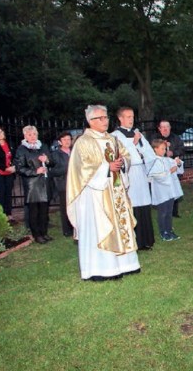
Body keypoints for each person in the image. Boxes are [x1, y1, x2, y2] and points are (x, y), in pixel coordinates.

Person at [67, 104, 140, 281]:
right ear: (90, 121)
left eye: (106, 117)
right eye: (100, 118)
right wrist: (107, 167)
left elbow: (126, 155)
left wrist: (122, 163)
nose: (104, 121)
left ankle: (125, 264)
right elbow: (81, 169)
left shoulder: (112, 139)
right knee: (101, 228)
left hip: (115, 190)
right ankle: (101, 269)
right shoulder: (83, 142)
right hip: (95, 195)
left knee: (120, 225)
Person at [112, 107, 156, 251]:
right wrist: (134, 144)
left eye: (132, 116)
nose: (131, 119)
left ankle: (146, 240)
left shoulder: (137, 134)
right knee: (132, 206)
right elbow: (122, 155)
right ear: (120, 118)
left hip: (141, 174)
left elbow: (150, 153)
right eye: (128, 116)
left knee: (143, 206)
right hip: (129, 174)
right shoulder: (115, 136)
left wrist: (142, 152)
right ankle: (133, 241)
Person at [14, 125, 53, 244]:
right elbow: (19, 168)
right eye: (30, 135)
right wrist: (35, 171)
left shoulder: (43, 146)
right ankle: (37, 235)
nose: (32, 137)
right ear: (25, 136)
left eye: (34, 134)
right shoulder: (21, 149)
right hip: (32, 184)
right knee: (34, 210)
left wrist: (47, 160)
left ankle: (44, 232)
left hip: (45, 182)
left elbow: (52, 162)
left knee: (44, 209)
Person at [146, 139, 184, 242]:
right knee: (162, 212)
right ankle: (163, 232)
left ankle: (169, 230)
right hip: (161, 192)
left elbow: (178, 167)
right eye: (162, 149)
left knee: (169, 212)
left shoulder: (166, 159)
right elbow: (157, 176)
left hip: (170, 191)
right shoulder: (154, 161)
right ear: (155, 149)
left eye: (165, 148)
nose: (164, 151)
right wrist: (170, 171)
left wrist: (178, 163)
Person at [150, 120, 185, 217]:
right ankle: (164, 209)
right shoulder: (155, 138)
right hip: (161, 168)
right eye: (163, 127)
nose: (165, 129)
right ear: (159, 129)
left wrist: (173, 153)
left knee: (174, 187)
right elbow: (151, 150)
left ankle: (174, 212)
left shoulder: (175, 138)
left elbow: (182, 149)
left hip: (172, 166)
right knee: (163, 190)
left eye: (167, 127)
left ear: (170, 128)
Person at [50, 131, 74, 237]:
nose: (67, 141)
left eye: (69, 139)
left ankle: (75, 227)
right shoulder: (55, 155)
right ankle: (67, 229)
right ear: (60, 142)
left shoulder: (75, 152)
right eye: (64, 140)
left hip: (75, 184)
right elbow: (53, 171)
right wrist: (68, 168)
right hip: (63, 184)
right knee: (65, 208)